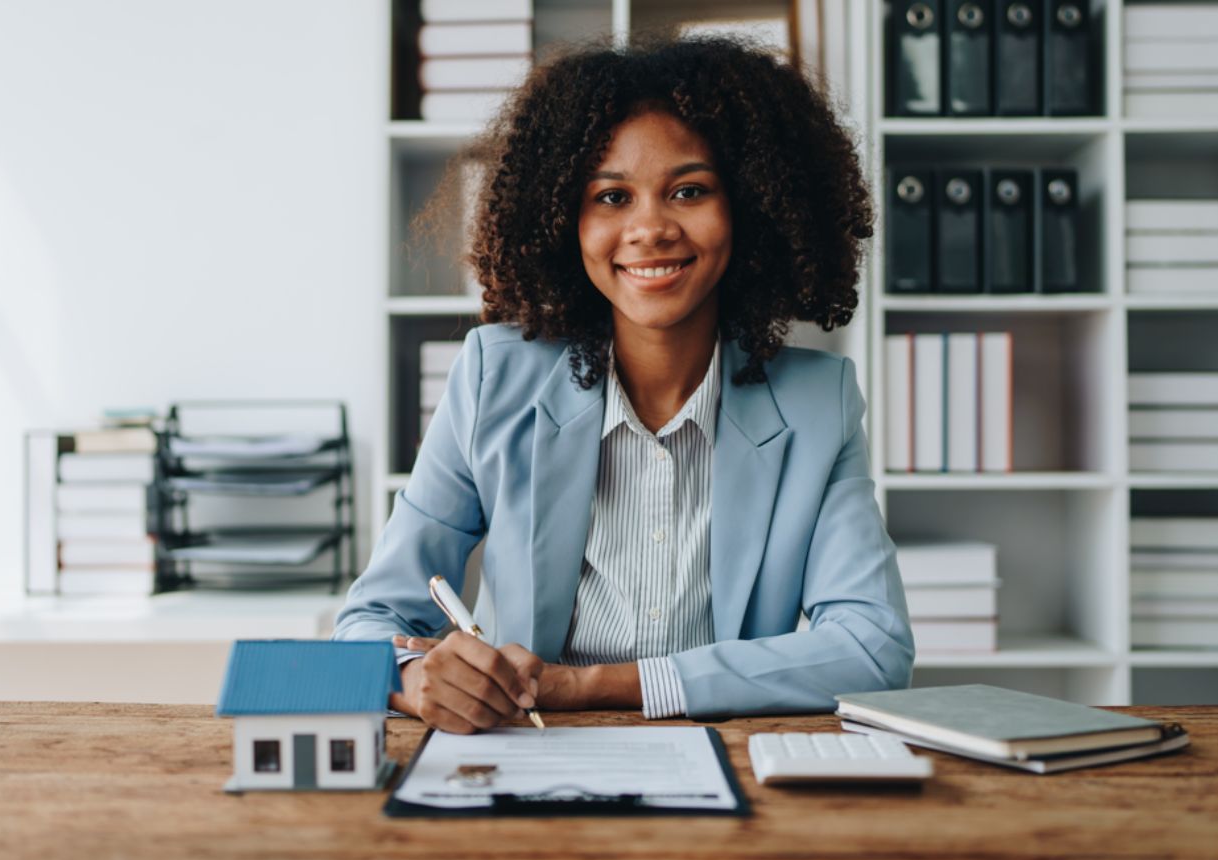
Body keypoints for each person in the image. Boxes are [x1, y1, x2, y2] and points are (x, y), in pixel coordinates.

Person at [334, 36, 913, 734]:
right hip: (527, 757)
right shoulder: (494, 378)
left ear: (752, 210)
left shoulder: (819, 402)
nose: (649, 229)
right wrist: (416, 678)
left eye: (690, 191)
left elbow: (872, 648)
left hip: (724, 764)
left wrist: (587, 686)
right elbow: (372, 619)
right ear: (563, 221)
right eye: (611, 196)